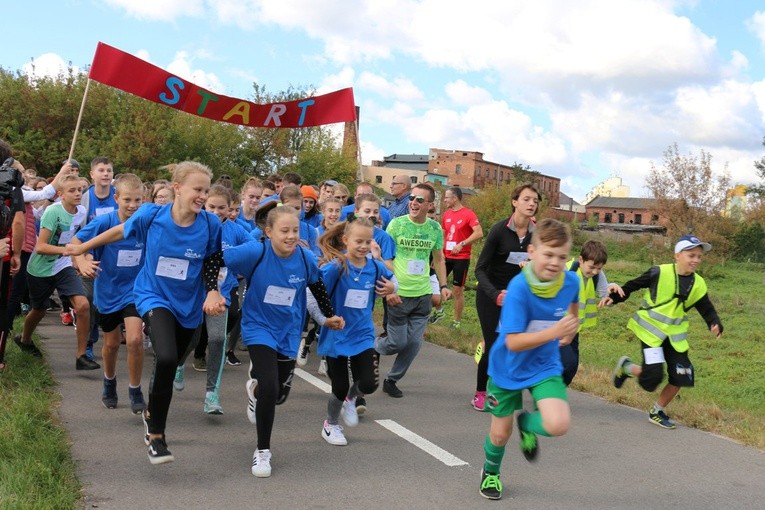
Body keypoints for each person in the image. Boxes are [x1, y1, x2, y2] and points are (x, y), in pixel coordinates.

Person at [65, 161, 226, 464]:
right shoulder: (152, 215)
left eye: (206, 190)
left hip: (189, 305)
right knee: (164, 357)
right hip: (153, 295)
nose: (203, 196)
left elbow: (212, 261)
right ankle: (156, 435)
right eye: (197, 189)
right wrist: (82, 247)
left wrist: (212, 291)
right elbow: (118, 232)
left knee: (174, 359)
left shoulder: (210, 224)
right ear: (177, 188)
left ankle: (152, 407)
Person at [222, 206, 343, 478]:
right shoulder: (256, 251)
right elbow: (215, 259)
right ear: (268, 232)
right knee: (269, 384)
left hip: (288, 330)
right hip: (258, 326)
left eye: (295, 230)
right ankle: (262, 451)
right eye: (284, 231)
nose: (291, 236)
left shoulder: (305, 257)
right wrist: (211, 291)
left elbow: (317, 286)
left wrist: (328, 316)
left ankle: (255, 392)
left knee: (277, 396)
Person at [479, 218, 580, 501]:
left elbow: (573, 305)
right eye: (548, 254)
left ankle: (527, 424)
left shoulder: (570, 280)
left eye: (561, 257)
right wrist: (555, 330)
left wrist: (572, 327)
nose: (554, 262)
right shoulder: (519, 288)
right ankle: (490, 472)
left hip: (544, 365)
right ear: (532, 252)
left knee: (558, 424)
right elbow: (512, 341)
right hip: (508, 367)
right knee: (500, 435)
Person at [610, 234, 723, 429]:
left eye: (699, 256)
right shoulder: (658, 272)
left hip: (675, 337)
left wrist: (714, 322)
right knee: (651, 380)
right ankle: (627, 367)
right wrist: (615, 298)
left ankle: (657, 411)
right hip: (652, 334)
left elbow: (706, 307)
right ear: (677, 255)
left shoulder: (698, 283)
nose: (696, 260)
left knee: (682, 375)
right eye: (691, 255)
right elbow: (632, 286)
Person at [309, 217, 396, 445]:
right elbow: (311, 292)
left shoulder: (375, 267)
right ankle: (331, 424)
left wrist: (392, 287)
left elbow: (393, 279)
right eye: (359, 241)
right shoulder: (336, 268)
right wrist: (324, 319)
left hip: (362, 333)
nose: (364, 246)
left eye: (368, 242)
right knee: (338, 385)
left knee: (368, 383)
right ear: (346, 240)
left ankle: (352, 398)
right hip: (337, 334)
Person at [70, 173, 147, 412]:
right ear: (116, 199)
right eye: (127, 200)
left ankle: (135, 389)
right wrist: (81, 261)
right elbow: (75, 241)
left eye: (137, 200)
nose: (133, 205)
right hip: (108, 289)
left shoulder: (145, 223)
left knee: (135, 339)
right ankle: (109, 381)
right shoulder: (105, 222)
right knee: (112, 344)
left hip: (136, 290)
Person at [15, 174, 98, 369]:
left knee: (84, 305)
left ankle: (81, 356)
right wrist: (68, 250)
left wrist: (80, 257)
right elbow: (41, 246)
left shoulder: (81, 211)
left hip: (63, 266)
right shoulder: (53, 212)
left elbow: (76, 238)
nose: (78, 194)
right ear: (60, 194)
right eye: (72, 191)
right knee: (39, 310)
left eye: (80, 190)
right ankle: (25, 339)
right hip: (40, 269)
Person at [376, 184, 451, 398]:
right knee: (396, 342)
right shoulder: (397, 225)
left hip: (423, 294)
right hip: (399, 293)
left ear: (429, 205)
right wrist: (389, 287)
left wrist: (443, 286)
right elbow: (385, 258)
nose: (414, 202)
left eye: (420, 200)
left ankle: (392, 380)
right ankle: (372, 348)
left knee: (414, 343)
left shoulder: (435, 228)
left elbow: (438, 258)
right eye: (412, 198)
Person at [472, 184, 540, 411]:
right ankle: (481, 393)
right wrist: (495, 294)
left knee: (512, 346)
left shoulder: (537, 234)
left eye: (535, 201)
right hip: (491, 293)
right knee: (493, 345)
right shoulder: (499, 230)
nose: (532, 204)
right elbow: (480, 269)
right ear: (515, 202)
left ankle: (502, 388)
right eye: (527, 199)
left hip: (518, 297)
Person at [561, 240, 622, 386]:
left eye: (599, 268)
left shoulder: (598, 276)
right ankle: (549, 398)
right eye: (592, 267)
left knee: (571, 368)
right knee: (567, 363)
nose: (594, 272)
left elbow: (604, 295)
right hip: (557, 326)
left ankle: (553, 397)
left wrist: (612, 292)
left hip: (574, 329)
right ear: (581, 259)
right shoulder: (566, 270)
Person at [432, 187, 483, 329]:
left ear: (455, 198)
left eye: (447, 197)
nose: (445, 200)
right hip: (445, 256)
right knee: (436, 284)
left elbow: (479, 233)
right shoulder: (446, 214)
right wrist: (438, 253)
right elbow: (442, 235)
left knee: (457, 289)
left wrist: (462, 244)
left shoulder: (468, 214)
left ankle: (457, 321)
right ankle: (439, 311)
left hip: (461, 257)